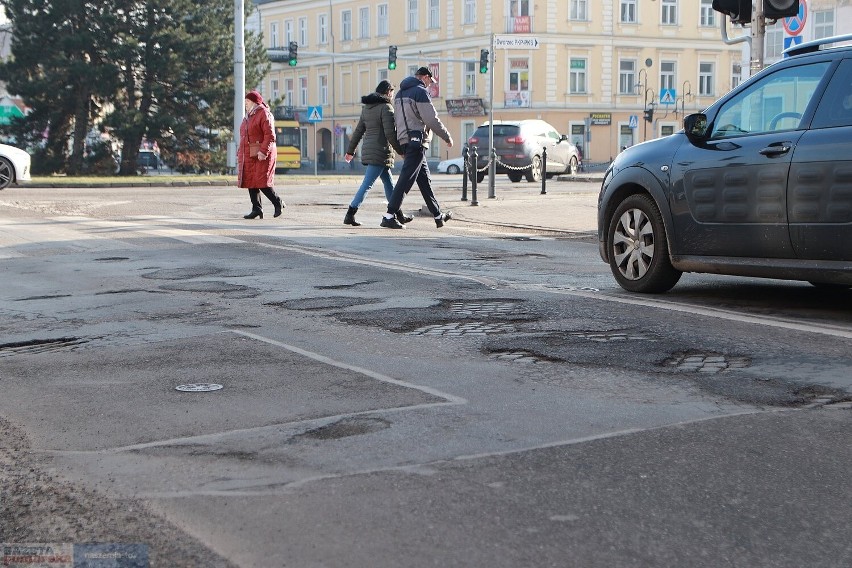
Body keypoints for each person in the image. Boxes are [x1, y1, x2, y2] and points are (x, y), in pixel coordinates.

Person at [380, 66, 454, 229]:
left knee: (424, 180)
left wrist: (400, 141)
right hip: (417, 140)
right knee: (406, 178)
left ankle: (437, 215)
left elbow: (397, 119)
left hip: (405, 140)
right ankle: (389, 215)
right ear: (425, 77)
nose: (430, 85)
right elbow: (431, 119)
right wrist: (446, 136)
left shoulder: (399, 94)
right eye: (430, 81)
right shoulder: (420, 92)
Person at [343, 80, 404, 227]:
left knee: (389, 184)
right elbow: (390, 134)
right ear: (388, 92)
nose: (392, 96)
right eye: (392, 93)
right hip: (380, 152)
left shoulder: (367, 108)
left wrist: (350, 151)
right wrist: (401, 151)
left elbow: (358, 131)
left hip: (372, 151)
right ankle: (350, 213)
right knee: (367, 184)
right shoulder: (386, 108)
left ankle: (398, 214)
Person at [238, 90, 284, 219]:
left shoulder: (264, 113)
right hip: (250, 153)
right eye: (245, 102)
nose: (246, 104)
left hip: (263, 153)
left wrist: (264, 151)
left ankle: (278, 202)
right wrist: (240, 152)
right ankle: (257, 209)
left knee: (262, 182)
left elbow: (270, 135)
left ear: (254, 102)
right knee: (251, 182)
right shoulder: (248, 115)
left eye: (248, 102)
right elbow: (244, 136)